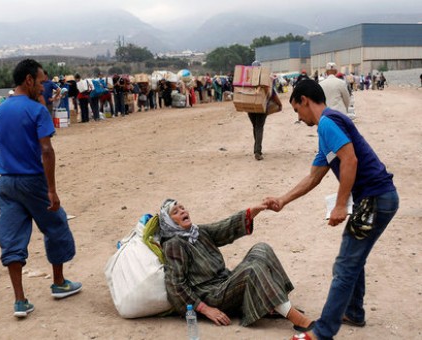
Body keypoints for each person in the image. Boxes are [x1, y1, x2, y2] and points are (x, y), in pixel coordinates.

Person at [263, 79, 398, 340]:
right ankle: (354, 312)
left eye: (296, 111)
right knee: (353, 258)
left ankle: (321, 333)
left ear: (304, 100)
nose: (299, 118)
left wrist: (339, 204)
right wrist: (282, 200)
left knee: (345, 265)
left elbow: (350, 159)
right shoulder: (326, 132)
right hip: (376, 198)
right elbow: (313, 177)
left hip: (375, 198)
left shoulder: (327, 122)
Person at [0, 59, 82, 318]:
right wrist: (51, 190)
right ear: (29, 80)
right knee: (56, 225)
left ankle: (20, 300)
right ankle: (59, 283)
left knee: (11, 238)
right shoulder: (37, 110)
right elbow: (46, 149)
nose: (44, 87)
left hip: (6, 181)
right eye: (41, 82)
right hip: (33, 180)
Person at [159, 199, 313, 331]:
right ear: (169, 222)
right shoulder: (174, 244)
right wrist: (206, 309)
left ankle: (274, 305)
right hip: (212, 296)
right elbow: (175, 285)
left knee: (262, 249)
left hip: (224, 283)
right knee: (251, 270)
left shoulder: (196, 231)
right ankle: (297, 320)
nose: (181, 211)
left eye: (182, 207)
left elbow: (224, 228)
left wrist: (252, 212)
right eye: (175, 212)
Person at [247, 61, 282, 161]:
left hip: (250, 106)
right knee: (259, 127)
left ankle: (257, 148)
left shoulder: (247, 79)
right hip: (262, 107)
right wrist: (279, 104)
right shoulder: (265, 78)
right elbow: (272, 94)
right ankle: (257, 151)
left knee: (255, 126)